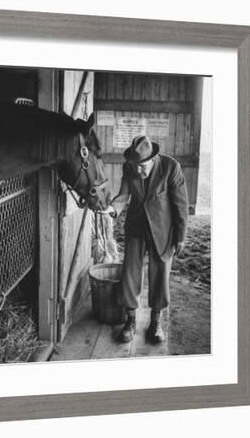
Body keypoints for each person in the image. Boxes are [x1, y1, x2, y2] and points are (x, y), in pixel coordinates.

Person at [104, 135, 189, 344]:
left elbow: (181, 205)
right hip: (136, 227)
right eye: (135, 166)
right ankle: (130, 320)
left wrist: (181, 236)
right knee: (130, 273)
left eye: (142, 166)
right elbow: (124, 195)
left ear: (153, 158)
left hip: (163, 229)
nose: (138, 171)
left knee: (160, 274)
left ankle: (155, 322)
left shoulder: (171, 167)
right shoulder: (130, 167)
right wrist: (112, 209)